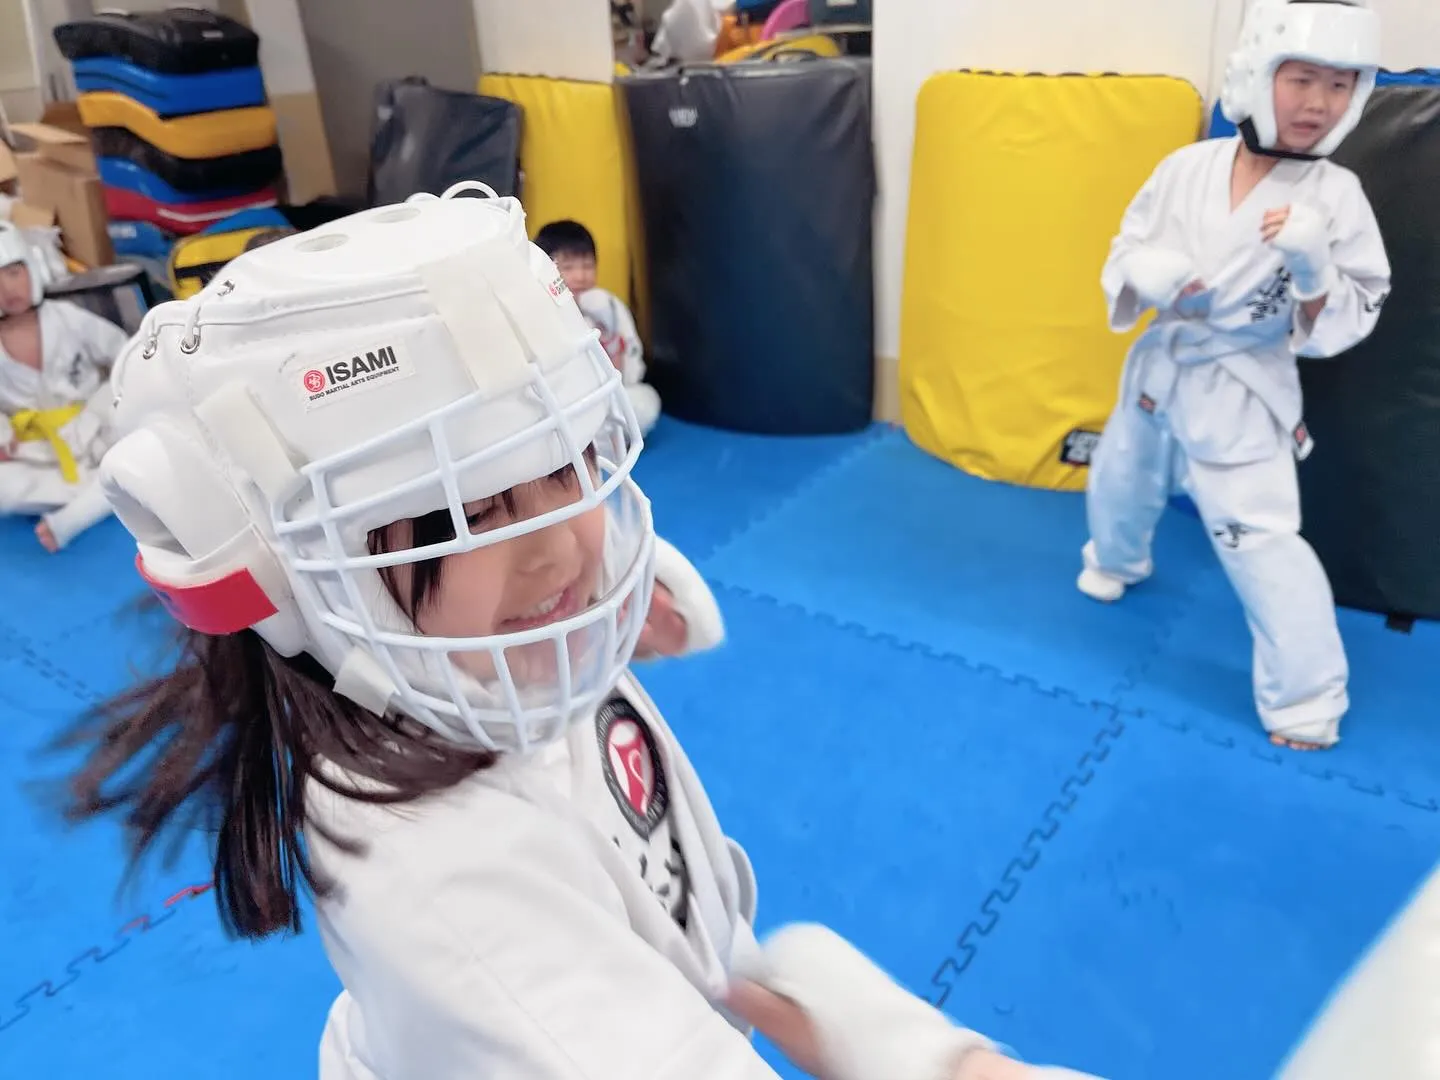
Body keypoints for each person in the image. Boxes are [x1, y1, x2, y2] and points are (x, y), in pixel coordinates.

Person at [62, 185, 1100, 1080]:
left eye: (561, 462)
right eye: (470, 515)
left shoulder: (475, 657)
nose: (560, 551)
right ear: (292, 582)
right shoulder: (450, 887)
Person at [1078, 0, 1390, 752]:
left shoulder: (1336, 198)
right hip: (1162, 365)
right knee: (1121, 473)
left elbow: (1357, 309)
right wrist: (1146, 274)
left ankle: (1307, 697)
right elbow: (1126, 246)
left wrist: (1314, 271)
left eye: (1342, 86)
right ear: (1256, 72)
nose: (1320, 103)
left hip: (1243, 384)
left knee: (1261, 539)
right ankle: (1116, 557)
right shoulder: (1186, 168)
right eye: (1303, 78)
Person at [0, 220, 130, 552]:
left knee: (140, 429)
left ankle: (74, 515)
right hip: (38, 447)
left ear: (33, 268)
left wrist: (110, 399)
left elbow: (125, 353)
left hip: (93, 426)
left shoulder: (66, 317)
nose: (6, 288)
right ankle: (109, 491)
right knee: (5, 488)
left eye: (13, 272)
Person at [535, 218, 662, 435]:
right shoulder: (539, 312)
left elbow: (627, 375)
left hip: (603, 402)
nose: (581, 276)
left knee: (646, 400)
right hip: (561, 406)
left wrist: (609, 334)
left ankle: (594, 443)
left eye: (588, 266)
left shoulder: (609, 307)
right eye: (568, 267)